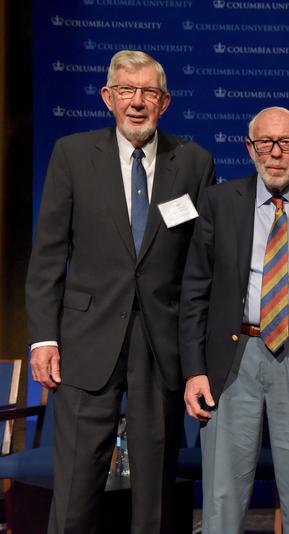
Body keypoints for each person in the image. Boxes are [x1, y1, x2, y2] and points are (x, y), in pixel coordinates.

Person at [25, 50, 216, 533]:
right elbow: (48, 254)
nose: (137, 102)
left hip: (162, 342)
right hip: (85, 341)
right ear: (108, 97)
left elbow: (203, 266)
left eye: (148, 92)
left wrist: (200, 358)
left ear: (165, 102)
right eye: (126, 91)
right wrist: (44, 337)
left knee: (154, 494)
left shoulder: (194, 162)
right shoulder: (72, 154)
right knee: (73, 489)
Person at [180, 106, 289, 534]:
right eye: (265, 143)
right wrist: (195, 370)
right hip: (233, 358)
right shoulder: (220, 202)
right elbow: (195, 289)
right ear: (250, 148)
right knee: (222, 499)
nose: (275, 153)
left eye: (286, 143)